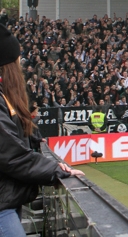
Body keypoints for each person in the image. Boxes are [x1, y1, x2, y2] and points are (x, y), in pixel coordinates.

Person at [0, 24, 84, 237]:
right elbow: (10, 154)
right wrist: (55, 170)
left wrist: (34, 139)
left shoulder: (6, 97)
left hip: (8, 198)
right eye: (18, 61)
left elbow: (14, 139)